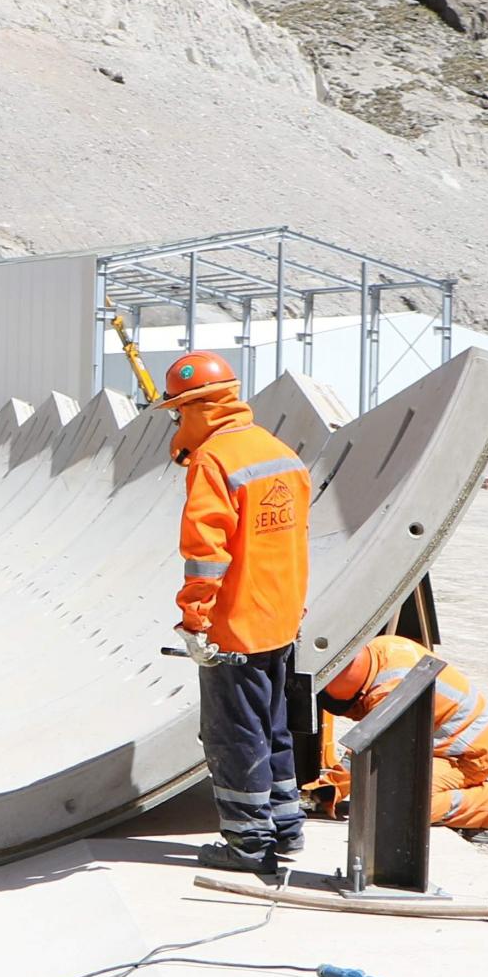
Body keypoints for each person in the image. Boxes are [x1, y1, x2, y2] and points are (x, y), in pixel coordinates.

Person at [164, 350, 313, 874]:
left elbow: (206, 550)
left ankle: (248, 844)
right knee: (274, 726)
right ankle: (285, 825)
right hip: (279, 618)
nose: (178, 422)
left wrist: (196, 619)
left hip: (234, 625)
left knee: (234, 732)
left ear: (199, 407)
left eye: (179, 412)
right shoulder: (278, 453)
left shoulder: (215, 460)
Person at [312, 634, 488, 840]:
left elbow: (364, 752)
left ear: (360, 695)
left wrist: (325, 791)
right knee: (378, 788)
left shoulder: (390, 692)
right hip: (446, 741)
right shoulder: (380, 648)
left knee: (395, 805)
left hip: (466, 757)